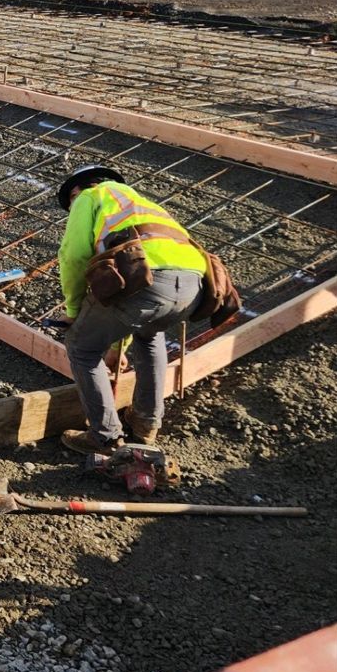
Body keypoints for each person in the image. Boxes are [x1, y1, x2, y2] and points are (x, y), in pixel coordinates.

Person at [55, 165, 206, 455]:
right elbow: (133, 309)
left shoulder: (89, 196)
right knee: (149, 337)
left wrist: (73, 310)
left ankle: (105, 438)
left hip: (147, 280)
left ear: (75, 191)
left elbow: (73, 256)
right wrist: (116, 347)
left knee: (81, 347)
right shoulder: (142, 203)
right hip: (193, 285)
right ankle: (146, 423)